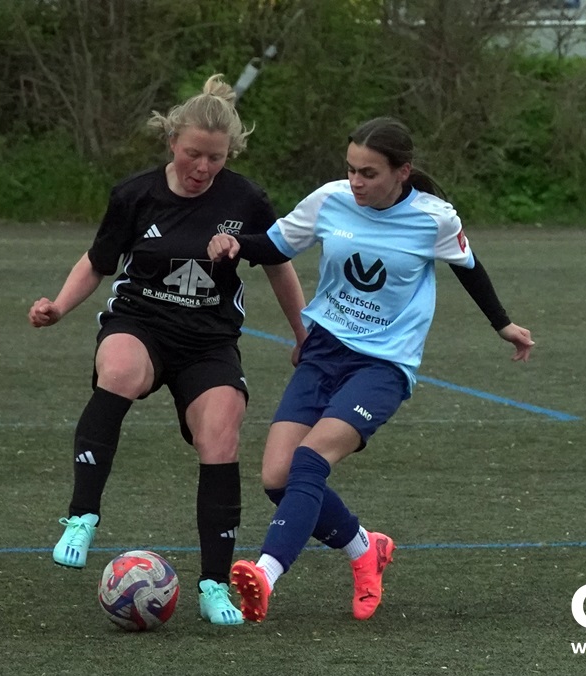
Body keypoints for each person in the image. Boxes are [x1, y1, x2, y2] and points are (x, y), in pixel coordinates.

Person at [206, 116, 535, 623]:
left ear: (402, 172)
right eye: (351, 169)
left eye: (369, 173)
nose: (356, 182)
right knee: (276, 477)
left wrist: (503, 324)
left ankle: (265, 574)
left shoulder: (433, 219)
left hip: (384, 364)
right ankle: (366, 548)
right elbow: (274, 245)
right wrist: (234, 245)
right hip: (323, 351)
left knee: (310, 459)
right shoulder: (330, 200)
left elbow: (469, 268)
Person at [28, 74, 307, 626]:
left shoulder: (246, 199)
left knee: (221, 432)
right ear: (172, 141)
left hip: (209, 341)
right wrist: (59, 306)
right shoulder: (135, 194)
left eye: (215, 158)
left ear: (230, 154)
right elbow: (98, 262)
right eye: (192, 154)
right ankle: (82, 517)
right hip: (141, 322)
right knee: (120, 370)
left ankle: (213, 585)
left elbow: (279, 266)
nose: (202, 168)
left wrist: (303, 335)